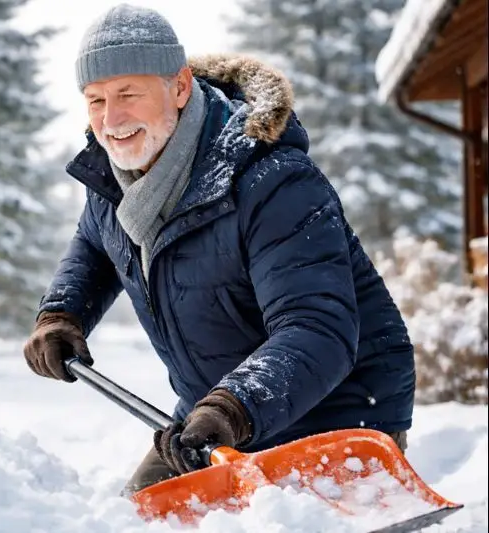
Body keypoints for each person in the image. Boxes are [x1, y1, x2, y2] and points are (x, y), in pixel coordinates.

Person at [23, 4, 415, 496]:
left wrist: (233, 406)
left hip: (336, 415)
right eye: (96, 100)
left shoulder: (273, 182)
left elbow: (318, 328)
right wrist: (60, 315)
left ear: (180, 87)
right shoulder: (113, 181)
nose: (111, 119)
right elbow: (93, 244)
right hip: (212, 419)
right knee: (132, 518)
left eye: (128, 94)